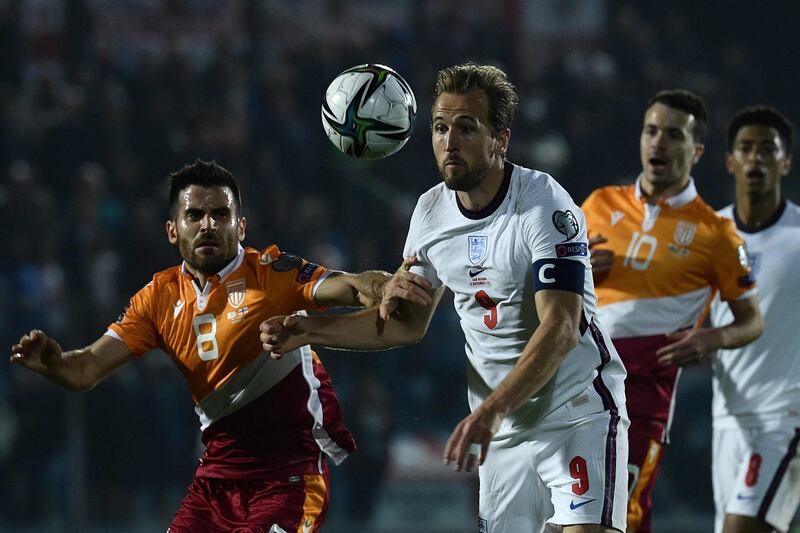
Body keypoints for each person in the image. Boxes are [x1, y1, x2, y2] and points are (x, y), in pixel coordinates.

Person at [262, 63, 630, 533]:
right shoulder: (430, 213)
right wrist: (308, 328)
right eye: (439, 127)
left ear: (501, 139)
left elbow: (559, 327)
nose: (449, 141)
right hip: (502, 433)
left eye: (466, 127)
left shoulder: (543, 205)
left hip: (577, 413)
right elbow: (404, 322)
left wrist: (491, 410)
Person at [9, 160, 393, 533]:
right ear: (172, 230)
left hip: (288, 477)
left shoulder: (272, 273)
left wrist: (384, 286)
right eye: (194, 215)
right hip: (215, 485)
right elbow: (87, 368)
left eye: (220, 214)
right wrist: (57, 363)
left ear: (240, 226)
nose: (208, 224)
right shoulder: (157, 298)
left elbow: (352, 286)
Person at [580, 90, 764, 533]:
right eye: (651, 131)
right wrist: (577, 267)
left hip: (642, 398)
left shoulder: (715, 233)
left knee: (622, 513)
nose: (657, 143)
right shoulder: (599, 204)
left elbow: (751, 320)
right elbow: (548, 293)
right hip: (576, 384)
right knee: (570, 515)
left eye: (673, 135)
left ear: (696, 150)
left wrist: (712, 339)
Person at [709, 106, 800, 533]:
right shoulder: (712, 234)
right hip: (726, 419)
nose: (755, 158)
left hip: (784, 418)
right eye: (745, 148)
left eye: (768, 149)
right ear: (730, 161)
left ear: (785, 161)